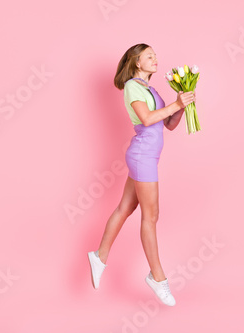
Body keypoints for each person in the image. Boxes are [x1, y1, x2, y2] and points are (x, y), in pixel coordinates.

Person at [88, 43, 195, 306]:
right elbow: (147, 119)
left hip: (148, 156)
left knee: (125, 208)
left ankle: (99, 256)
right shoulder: (132, 87)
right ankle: (157, 278)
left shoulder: (152, 89)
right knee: (151, 216)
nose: (155, 59)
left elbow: (168, 124)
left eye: (155, 55)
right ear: (137, 62)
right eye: (150, 56)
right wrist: (175, 103)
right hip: (142, 156)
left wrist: (182, 104)